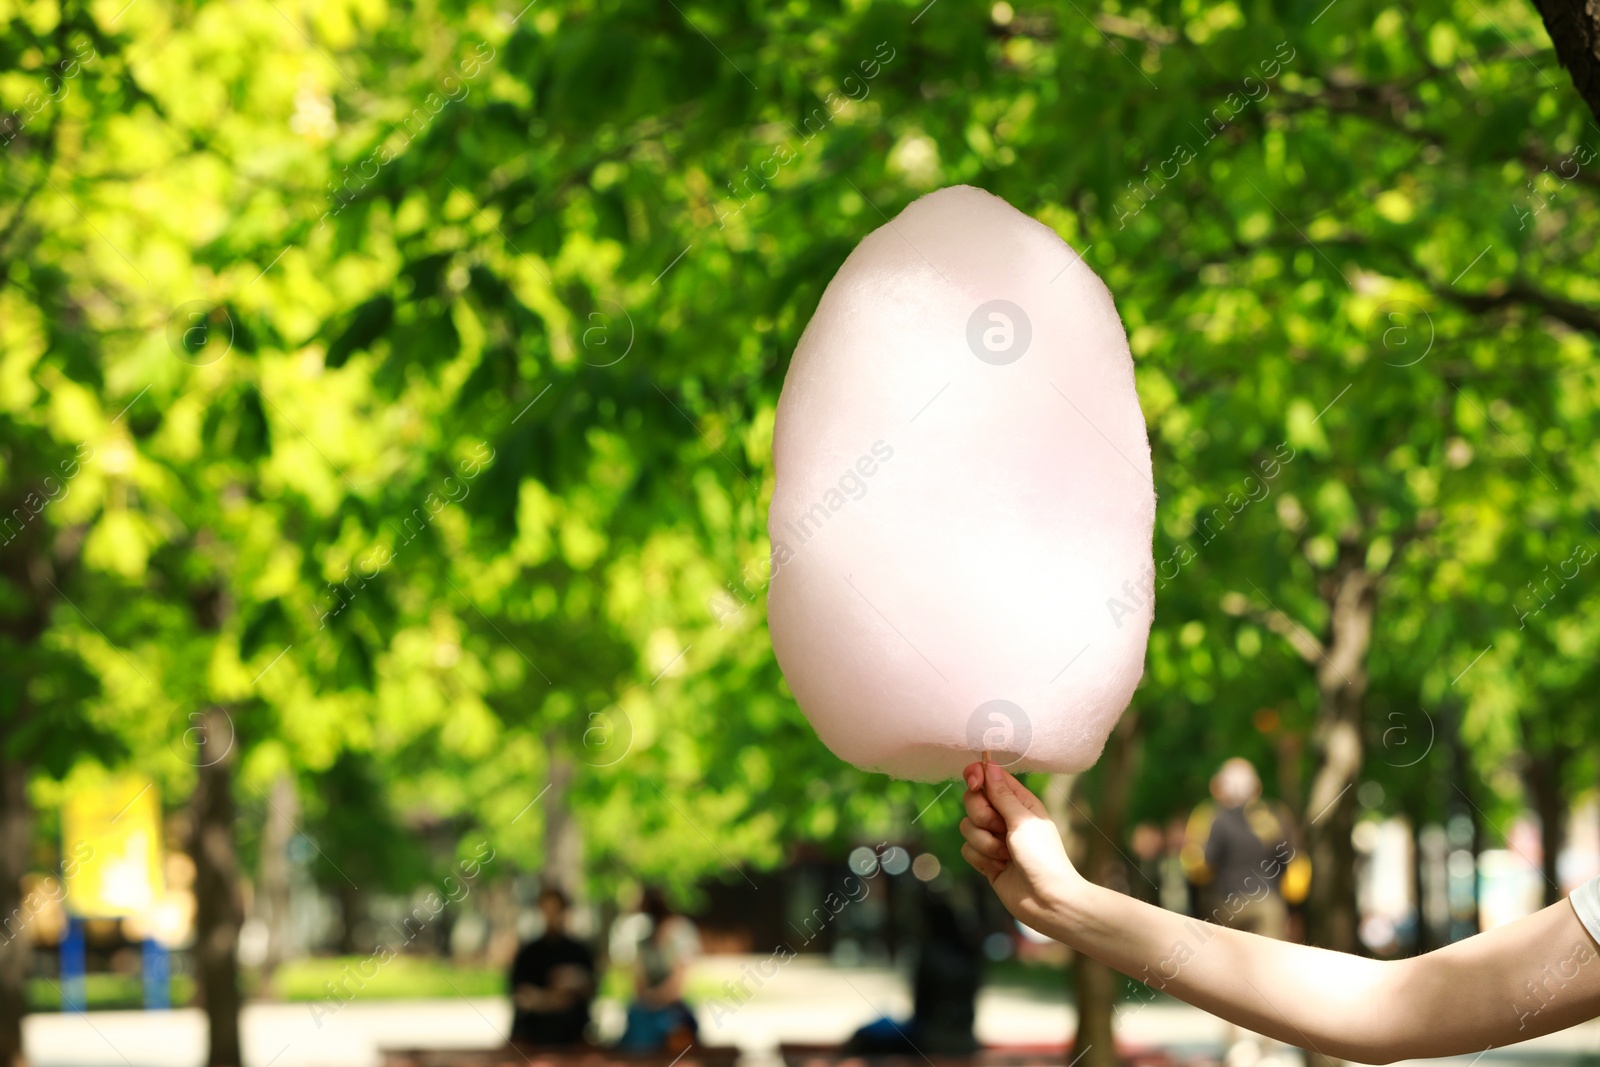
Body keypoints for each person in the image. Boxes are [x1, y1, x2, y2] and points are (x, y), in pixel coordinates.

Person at [959, 759, 1600, 1064]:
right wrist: (1063, 901)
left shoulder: (1215, 817)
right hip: (1263, 906)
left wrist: (1068, 902)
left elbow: (1195, 862)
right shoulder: (1271, 815)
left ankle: (1246, 1048)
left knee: (1242, 1007)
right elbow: (1299, 869)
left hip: (1230, 908)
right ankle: (1260, 1049)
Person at [1180, 758, 1308, 939]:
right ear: (1257, 788)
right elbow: (1295, 868)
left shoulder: (1212, 818)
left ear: (1219, 788)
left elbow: (1199, 869)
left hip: (1226, 905)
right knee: (1267, 962)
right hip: (1268, 905)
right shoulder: (1275, 817)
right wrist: (1294, 910)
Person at [844, 893, 983, 1055]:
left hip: (932, 1039)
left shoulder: (929, 955)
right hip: (966, 1039)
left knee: (869, 1032)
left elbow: (920, 1007)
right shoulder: (969, 954)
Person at [508, 887, 596, 1047]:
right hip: (535, 1024)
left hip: (570, 1026)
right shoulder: (529, 952)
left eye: (556, 910)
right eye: (547, 910)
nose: (552, 916)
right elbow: (520, 993)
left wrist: (576, 981)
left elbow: (591, 988)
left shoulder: (579, 951)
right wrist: (550, 1000)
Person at [618, 888, 701, 1052]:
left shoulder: (679, 936)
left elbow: (676, 986)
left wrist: (655, 997)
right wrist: (649, 997)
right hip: (646, 1006)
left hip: (671, 1007)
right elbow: (638, 982)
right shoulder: (643, 939)